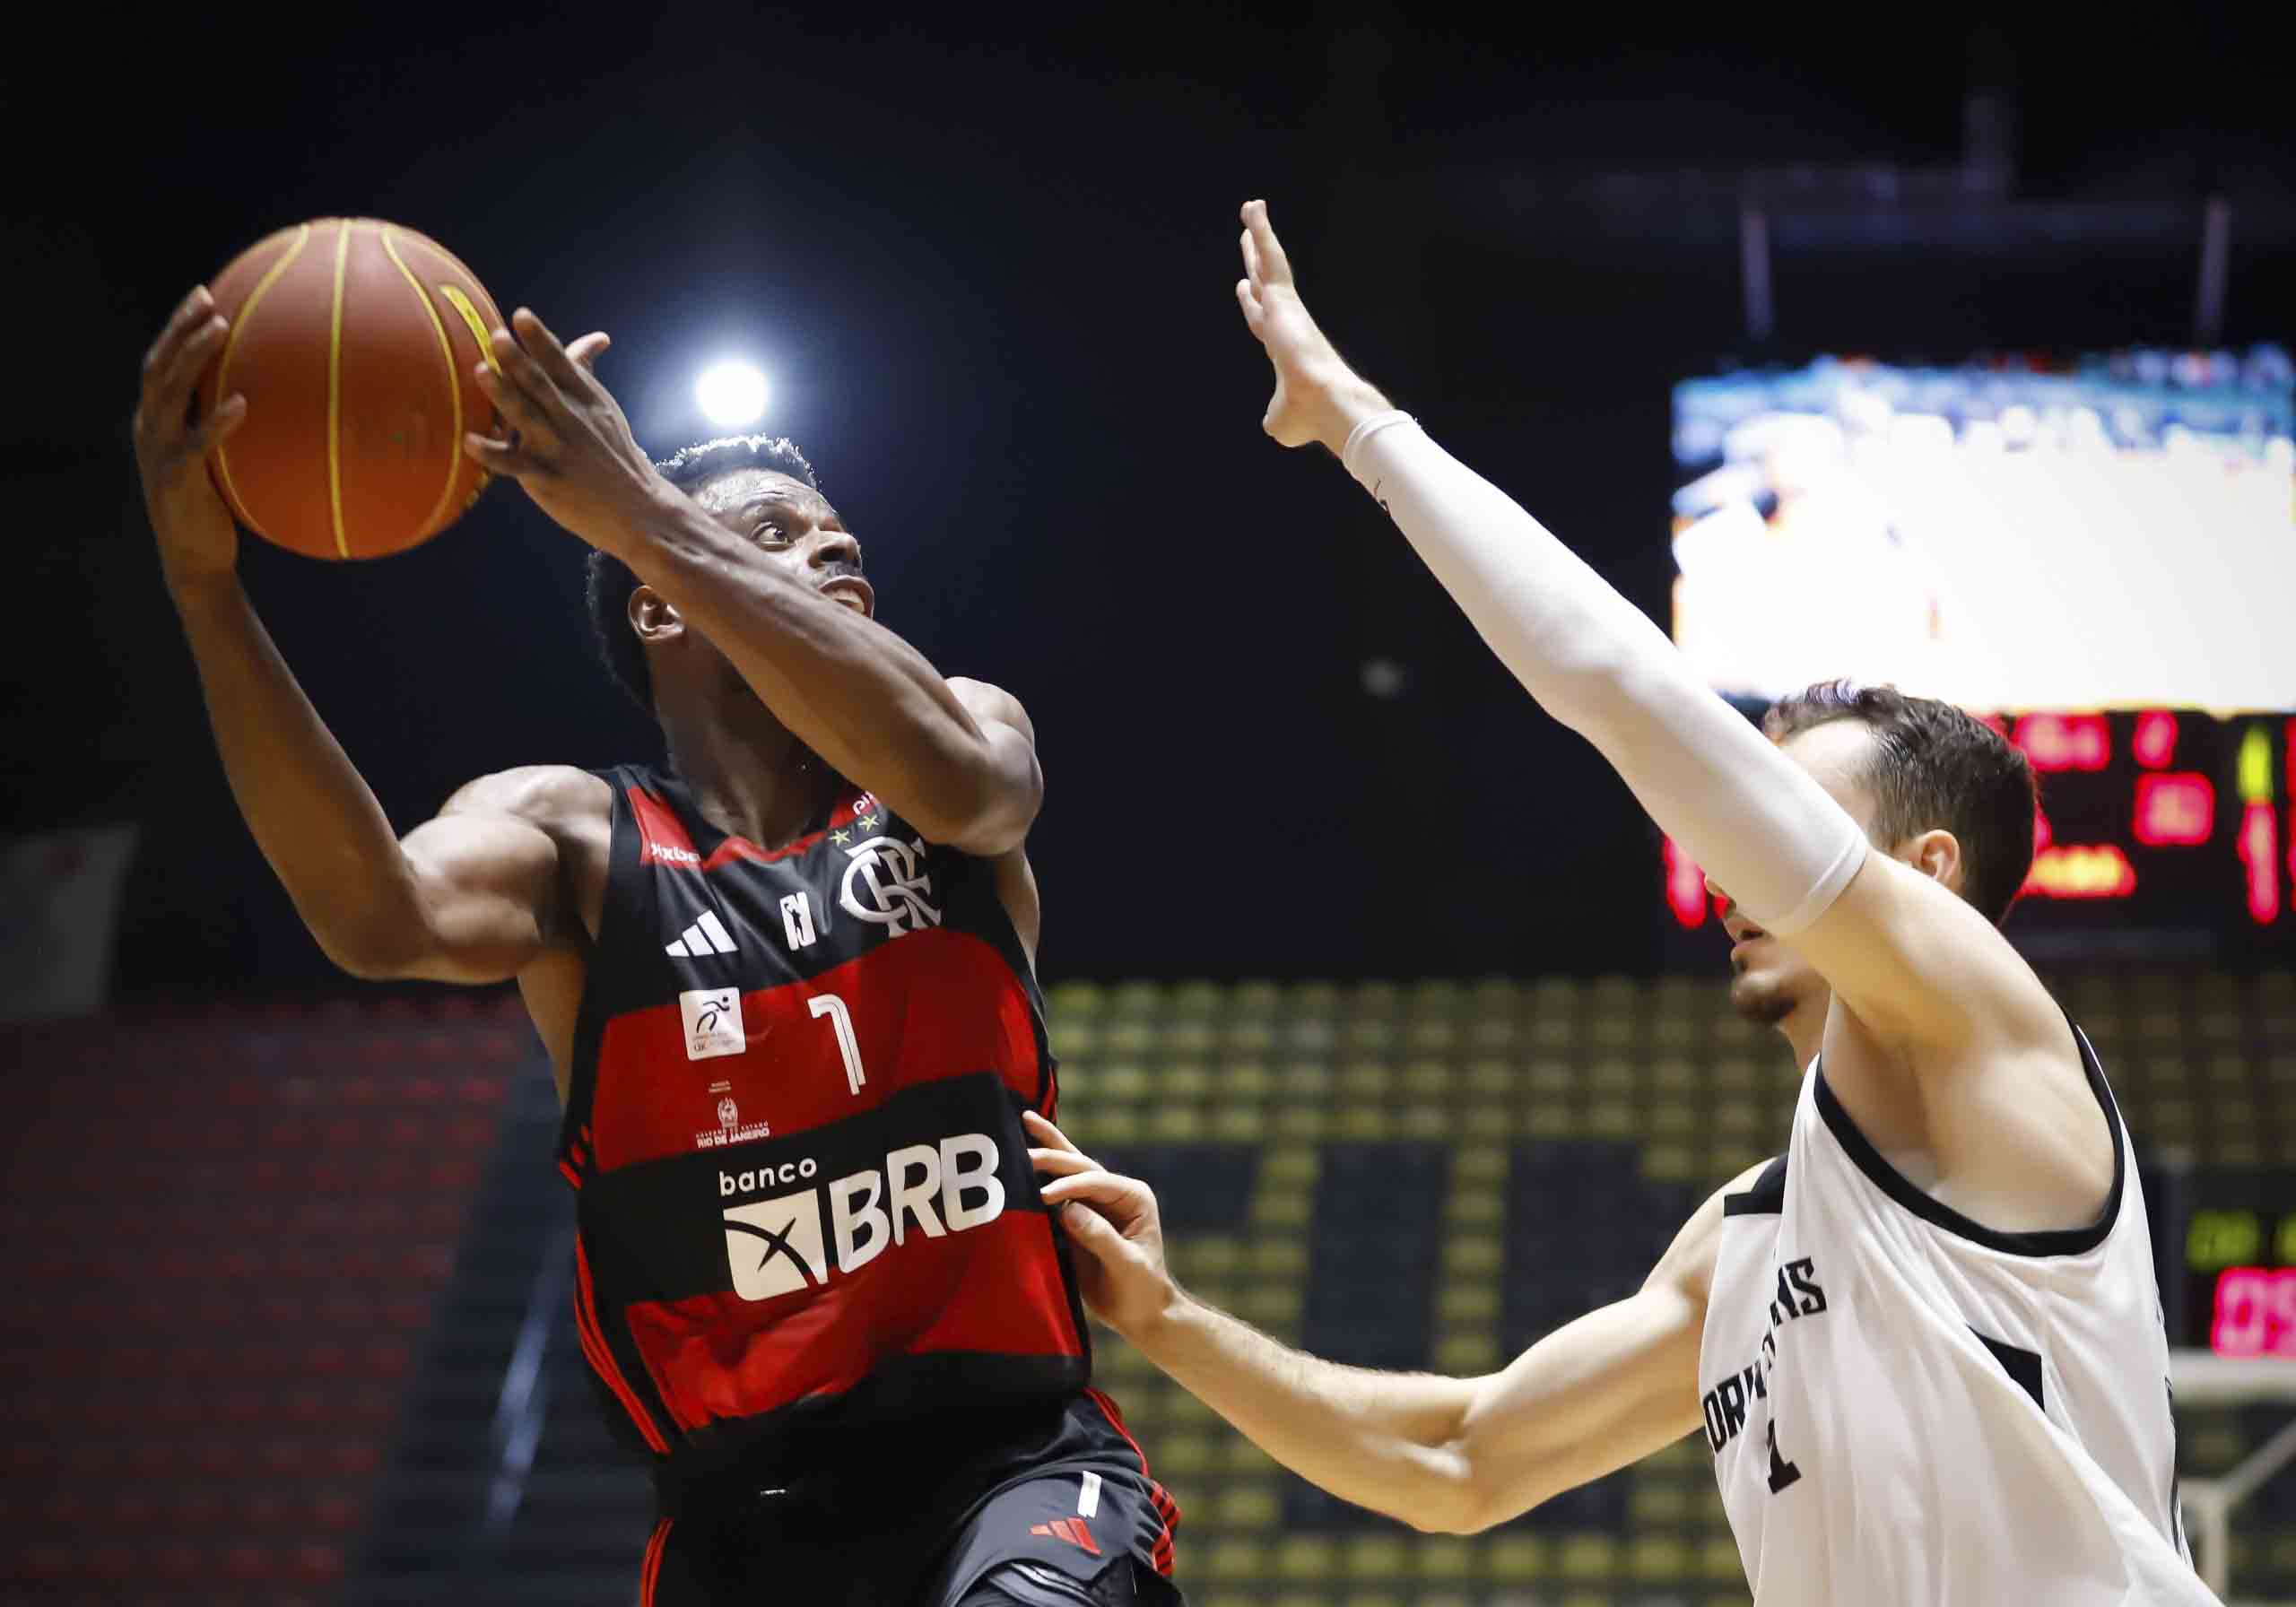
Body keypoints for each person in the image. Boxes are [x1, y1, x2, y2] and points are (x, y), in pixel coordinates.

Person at [1024, 200, 2213, 1604]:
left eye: (1783, 818)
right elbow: (1462, 1461)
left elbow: (1625, 691)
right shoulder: (1745, 1243)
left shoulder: (1988, 1033)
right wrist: (1166, 1320)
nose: (1729, 862)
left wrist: (1355, 422)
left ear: (1928, 878)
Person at [133, 289, 1178, 1607]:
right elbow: (374, 917)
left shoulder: (953, 746)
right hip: (742, 1522)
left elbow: (975, 789)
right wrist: (207, 591)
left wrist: (642, 513)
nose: (836, 548)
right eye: (779, 536)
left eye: (841, 537)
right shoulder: (575, 836)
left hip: (1017, 1464)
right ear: (662, 610)